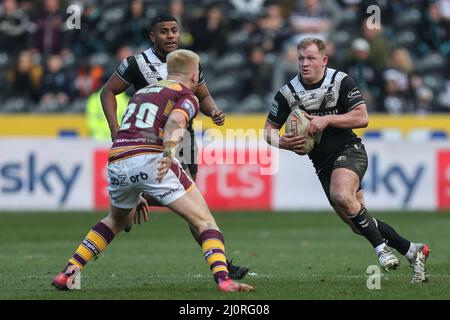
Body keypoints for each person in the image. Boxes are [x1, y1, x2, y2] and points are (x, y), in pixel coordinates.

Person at [52, 49, 254, 293]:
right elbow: (176, 122)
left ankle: (68, 273)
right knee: (204, 220)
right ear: (193, 73)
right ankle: (224, 280)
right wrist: (169, 154)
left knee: (116, 219)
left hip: (118, 159)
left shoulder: (141, 93)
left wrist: (137, 189)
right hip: (151, 158)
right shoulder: (187, 95)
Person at [264, 37, 430, 284]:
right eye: (301, 59)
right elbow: (268, 131)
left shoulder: (340, 81)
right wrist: (284, 143)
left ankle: (382, 252)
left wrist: (327, 120)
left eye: (311, 58)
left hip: (350, 149)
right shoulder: (288, 93)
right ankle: (413, 251)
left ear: (324, 60)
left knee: (342, 195)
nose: (305, 64)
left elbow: (362, 117)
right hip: (321, 163)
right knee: (358, 223)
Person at [99, 14, 249, 280]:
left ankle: (135, 202)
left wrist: (213, 110)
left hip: (185, 139)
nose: (170, 36)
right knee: (194, 203)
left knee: (192, 198)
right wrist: (114, 128)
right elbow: (108, 92)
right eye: (164, 31)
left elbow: (203, 95)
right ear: (152, 36)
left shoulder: (186, 62)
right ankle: (221, 263)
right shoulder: (136, 63)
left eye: (174, 31)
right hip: (149, 142)